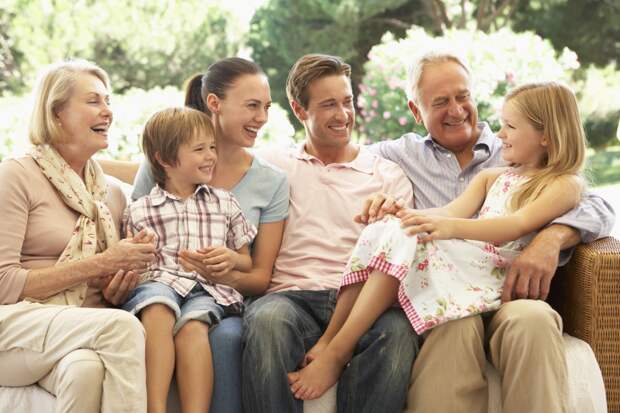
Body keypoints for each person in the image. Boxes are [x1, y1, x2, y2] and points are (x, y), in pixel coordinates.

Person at [288, 81, 588, 401]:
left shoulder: (564, 184)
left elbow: (516, 225)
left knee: (405, 238)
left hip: (498, 275)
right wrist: (401, 214)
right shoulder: (493, 177)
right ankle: (331, 340)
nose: (500, 134)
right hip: (469, 271)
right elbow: (446, 211)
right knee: (389, 229)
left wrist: (447, 228)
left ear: (546, 135)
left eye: (510, 126)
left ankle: (337, 351)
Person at [362, 52, 616, 413]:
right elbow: (340, 155)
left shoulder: (514, 153)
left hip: (513, 292)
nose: (457, 109)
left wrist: (553, 237)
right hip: (454, 296)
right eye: (440, 102)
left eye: (462, 96)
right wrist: (392, 209)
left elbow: (596, 205)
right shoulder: (396, 155)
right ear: (416, 111)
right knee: (453, 325)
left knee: (532, 320)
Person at [241, 54, 418, 413]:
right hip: (292, 298)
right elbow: (204, 163)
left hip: (361, 303)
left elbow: (396, 261)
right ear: (298, 109)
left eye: (347, 101)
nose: (343, 114)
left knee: (398, 332)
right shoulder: (273, 166)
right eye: (328, 105)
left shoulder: (387, 175)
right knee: (267, 320)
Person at [117, 57, 289, 413]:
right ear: (214, 103)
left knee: (220, 335)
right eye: (252, 106)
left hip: (221, 295)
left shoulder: (269, 182)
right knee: (159, 311)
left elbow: (258, 276)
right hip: (163, 287)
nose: (263, 118)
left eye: (266, 107)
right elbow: (134, 244)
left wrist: (226, 268)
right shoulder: (158, 171)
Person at [0, 59, 157, 413]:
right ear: (57, 113)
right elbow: (2, 282)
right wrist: (100, 263)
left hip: (74, 329)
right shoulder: (15, 175)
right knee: (121, 328)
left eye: (109, 101)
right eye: (93, 101)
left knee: (85, 370)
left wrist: (117, 285)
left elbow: (101, 284)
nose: (108, 112)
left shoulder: (110, 194)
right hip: (12, 325)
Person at [122, 107, 257, 413]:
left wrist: (229, 258)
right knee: (158, 308)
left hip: (207, 289)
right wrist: (137, 252)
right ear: (165, 159)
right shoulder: (140, 210)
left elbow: (246, 262)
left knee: (192, 328)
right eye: (199, 149)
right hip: (159, 283)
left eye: (212, 147)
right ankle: (154, 408)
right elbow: (132, 266)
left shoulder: (224, 202)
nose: (211, 155)